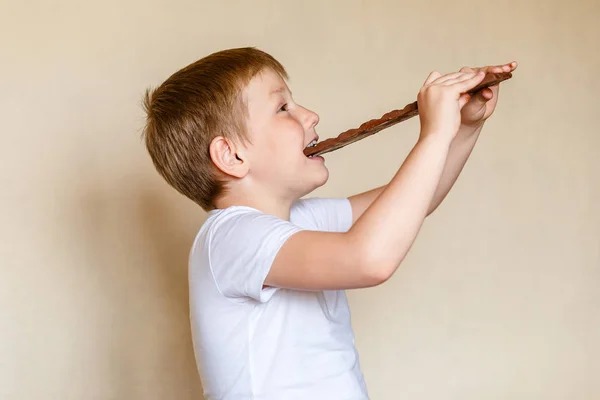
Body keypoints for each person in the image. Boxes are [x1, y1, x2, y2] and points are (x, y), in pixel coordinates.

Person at [141, 47, 517, 399]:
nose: (310, 115)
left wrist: (464, 129)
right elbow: (369, 260)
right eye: (283, 108)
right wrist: (435, 133)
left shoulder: (301, 221)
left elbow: (418, 201)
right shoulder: (230, 237)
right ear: (232, 155)